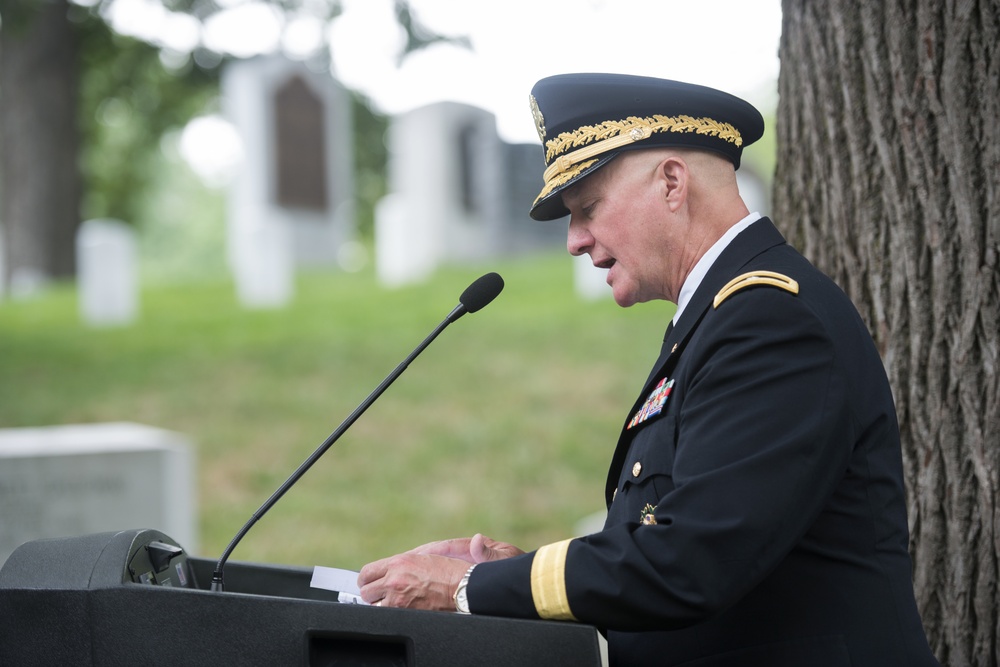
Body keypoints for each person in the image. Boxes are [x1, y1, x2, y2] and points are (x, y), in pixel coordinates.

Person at [357, 73, 940, 666]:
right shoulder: (723, 318)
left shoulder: (769, 321)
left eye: (588, 208)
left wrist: (462, 589)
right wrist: (516, 576)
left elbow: (693, 562)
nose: (575, 242)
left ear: (670, 182)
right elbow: (680, 543)